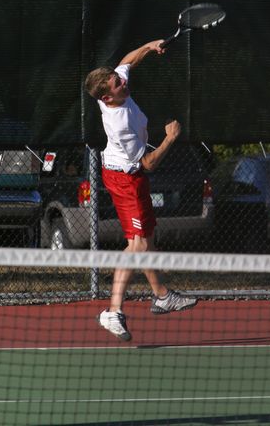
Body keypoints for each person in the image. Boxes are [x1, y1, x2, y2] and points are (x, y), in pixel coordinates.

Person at [84, 39, 197, 341]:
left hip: (126, 176)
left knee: (146, 240)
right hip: (126, 180)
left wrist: (149, 46)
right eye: (117, 83)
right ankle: (113, 312)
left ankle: (161, 296)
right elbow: (148, 163)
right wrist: (170, 138)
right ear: (108, 97)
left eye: (119, 78)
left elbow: (127, 61)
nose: (123, 82)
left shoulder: (115, 87)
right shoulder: (119, 122)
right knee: (138, 246)